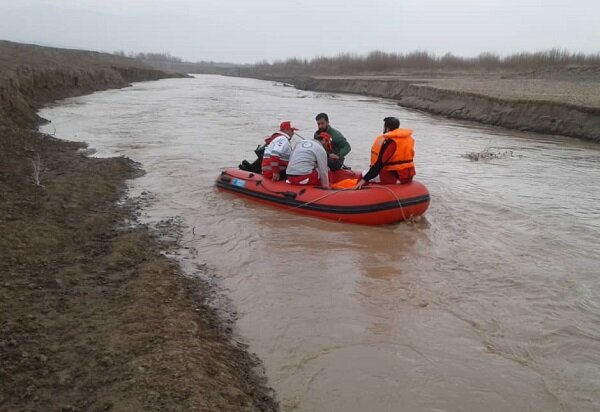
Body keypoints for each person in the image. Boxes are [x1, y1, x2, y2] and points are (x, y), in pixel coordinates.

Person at [355, 117, 416, 189]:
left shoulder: (391, 142)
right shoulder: (407, 139)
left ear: (387, 128)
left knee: (362, 176)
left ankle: (357, 194)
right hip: (407, 175)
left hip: (395, 176)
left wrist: (364, 179)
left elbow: (379, 165)